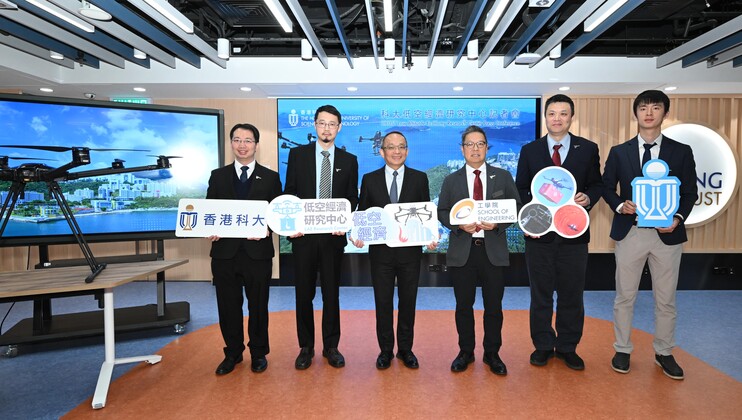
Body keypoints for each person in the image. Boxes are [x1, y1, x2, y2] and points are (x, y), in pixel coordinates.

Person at [602, 90, 697, 380]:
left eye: (656, 108)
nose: (649, 113)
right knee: (624, 296)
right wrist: (620, 204)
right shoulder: (620, 151)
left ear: (665, 113)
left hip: (667, 235)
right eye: (643, 108)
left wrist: (678, 218)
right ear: (636, 113)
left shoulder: (681, 151)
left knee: (666, 298)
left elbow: (690, 193)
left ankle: (664, 352)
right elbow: (606, 187)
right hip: (631, 232)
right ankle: (622, 349)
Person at [515, 94, 603, 371]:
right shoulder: (530, 150)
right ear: (545, 117)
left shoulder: (587, 149)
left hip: (573, 234)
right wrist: (530, 222)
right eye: (552, 113)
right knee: (540, 294)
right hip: (539, 237)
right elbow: (520, 190)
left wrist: (587, 199)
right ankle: (542, 345)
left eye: (563, 113)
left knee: (572, 294)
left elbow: (597, 185)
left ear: (571, 117)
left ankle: (567, 346)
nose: (557, 118)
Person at [437, 125, 522, 375]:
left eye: (480, 144)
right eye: (470, 144)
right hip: (463, 251)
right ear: (462, 149)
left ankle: (492, 353)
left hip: (492, 250)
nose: (475, 149)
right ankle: (466, 352)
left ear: (487, 147)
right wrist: (457, 224)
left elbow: (515, 207)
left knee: (493, 307)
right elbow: (442, 211)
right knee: (463, 306)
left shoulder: (502, 176)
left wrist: (498, 223)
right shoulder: (451, 180)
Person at [352, 131, 435, 370]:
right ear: (382, 151)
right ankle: (386, 350)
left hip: (410, 253)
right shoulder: (369, 179)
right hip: (381, 255)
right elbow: (364, 213)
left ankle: (406, 350)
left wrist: (429, 235)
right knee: (383, 303)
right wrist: (358, 235)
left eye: (401, 147)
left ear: (407, 151)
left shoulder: (420, 179)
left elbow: (425, 213)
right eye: (391, 147)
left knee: (408, 302)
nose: (396, 151)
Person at [283, 104, 359, 370]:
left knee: (331, 294)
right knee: (303, 293)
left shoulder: (349, 160)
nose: (326, 128)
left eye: (332, 124)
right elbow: (290, 193)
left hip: (332, 238)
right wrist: (291, 223)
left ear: (339, 127)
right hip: (303, 237)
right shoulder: (297, 155)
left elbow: (352, 198)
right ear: (315, 125)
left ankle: (331, 346)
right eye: (322, 123)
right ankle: (306, 347)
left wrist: (344, 221)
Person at [207, 123, 282, 375]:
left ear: (256, 145)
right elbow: (209, 211)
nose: (242, 145)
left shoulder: (271, 177)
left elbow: (277, 213)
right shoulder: (217, 176)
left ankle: (259, 353)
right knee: (228, 305)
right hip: (224, 253)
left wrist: (269, 228)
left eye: (248, 140)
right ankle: (233, 352)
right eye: (237, 140)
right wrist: (210, 227)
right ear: (231, 144)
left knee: (258, 306)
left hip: (257, 253)